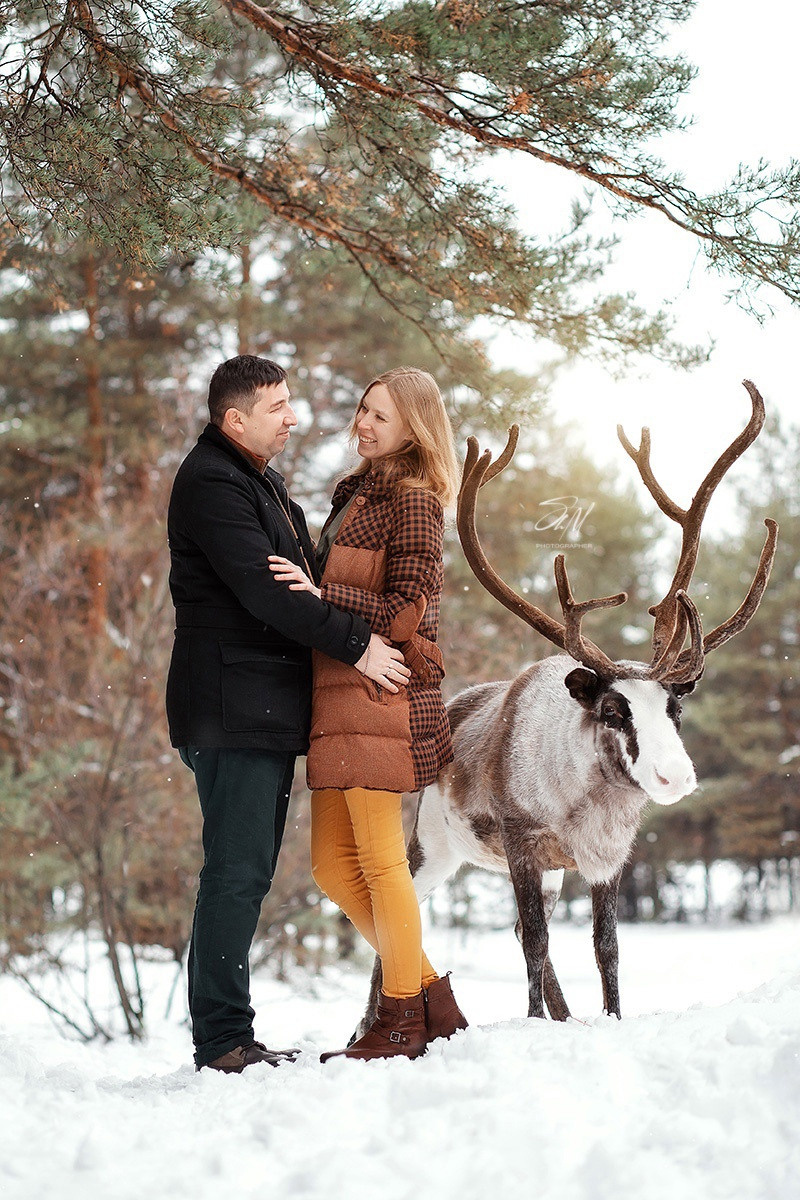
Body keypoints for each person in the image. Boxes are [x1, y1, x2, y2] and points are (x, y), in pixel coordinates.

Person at [166, 354, 410, 1074]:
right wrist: (360, 646)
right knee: (236, 874)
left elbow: (302, 581)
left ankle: (228, 1033)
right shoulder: (212, 482)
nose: (294, 416)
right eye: (278, 406)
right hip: (229, 708)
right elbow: (268, 595)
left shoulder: (262, 483)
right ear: (234, 419)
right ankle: (222, 1041)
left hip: (260, 708)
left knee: (245, 873)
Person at [269, 366, 468, 1062]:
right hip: (337, 690)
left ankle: (400, 1021)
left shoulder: (415, 500)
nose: (364, 423)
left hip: (379, 694)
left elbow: (409, 612)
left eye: (381, 416)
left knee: (382, 865)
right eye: (362, 410)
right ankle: (433, 1001)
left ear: (414, 427)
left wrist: (319, 597)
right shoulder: (356, 494)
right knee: (330, 867)